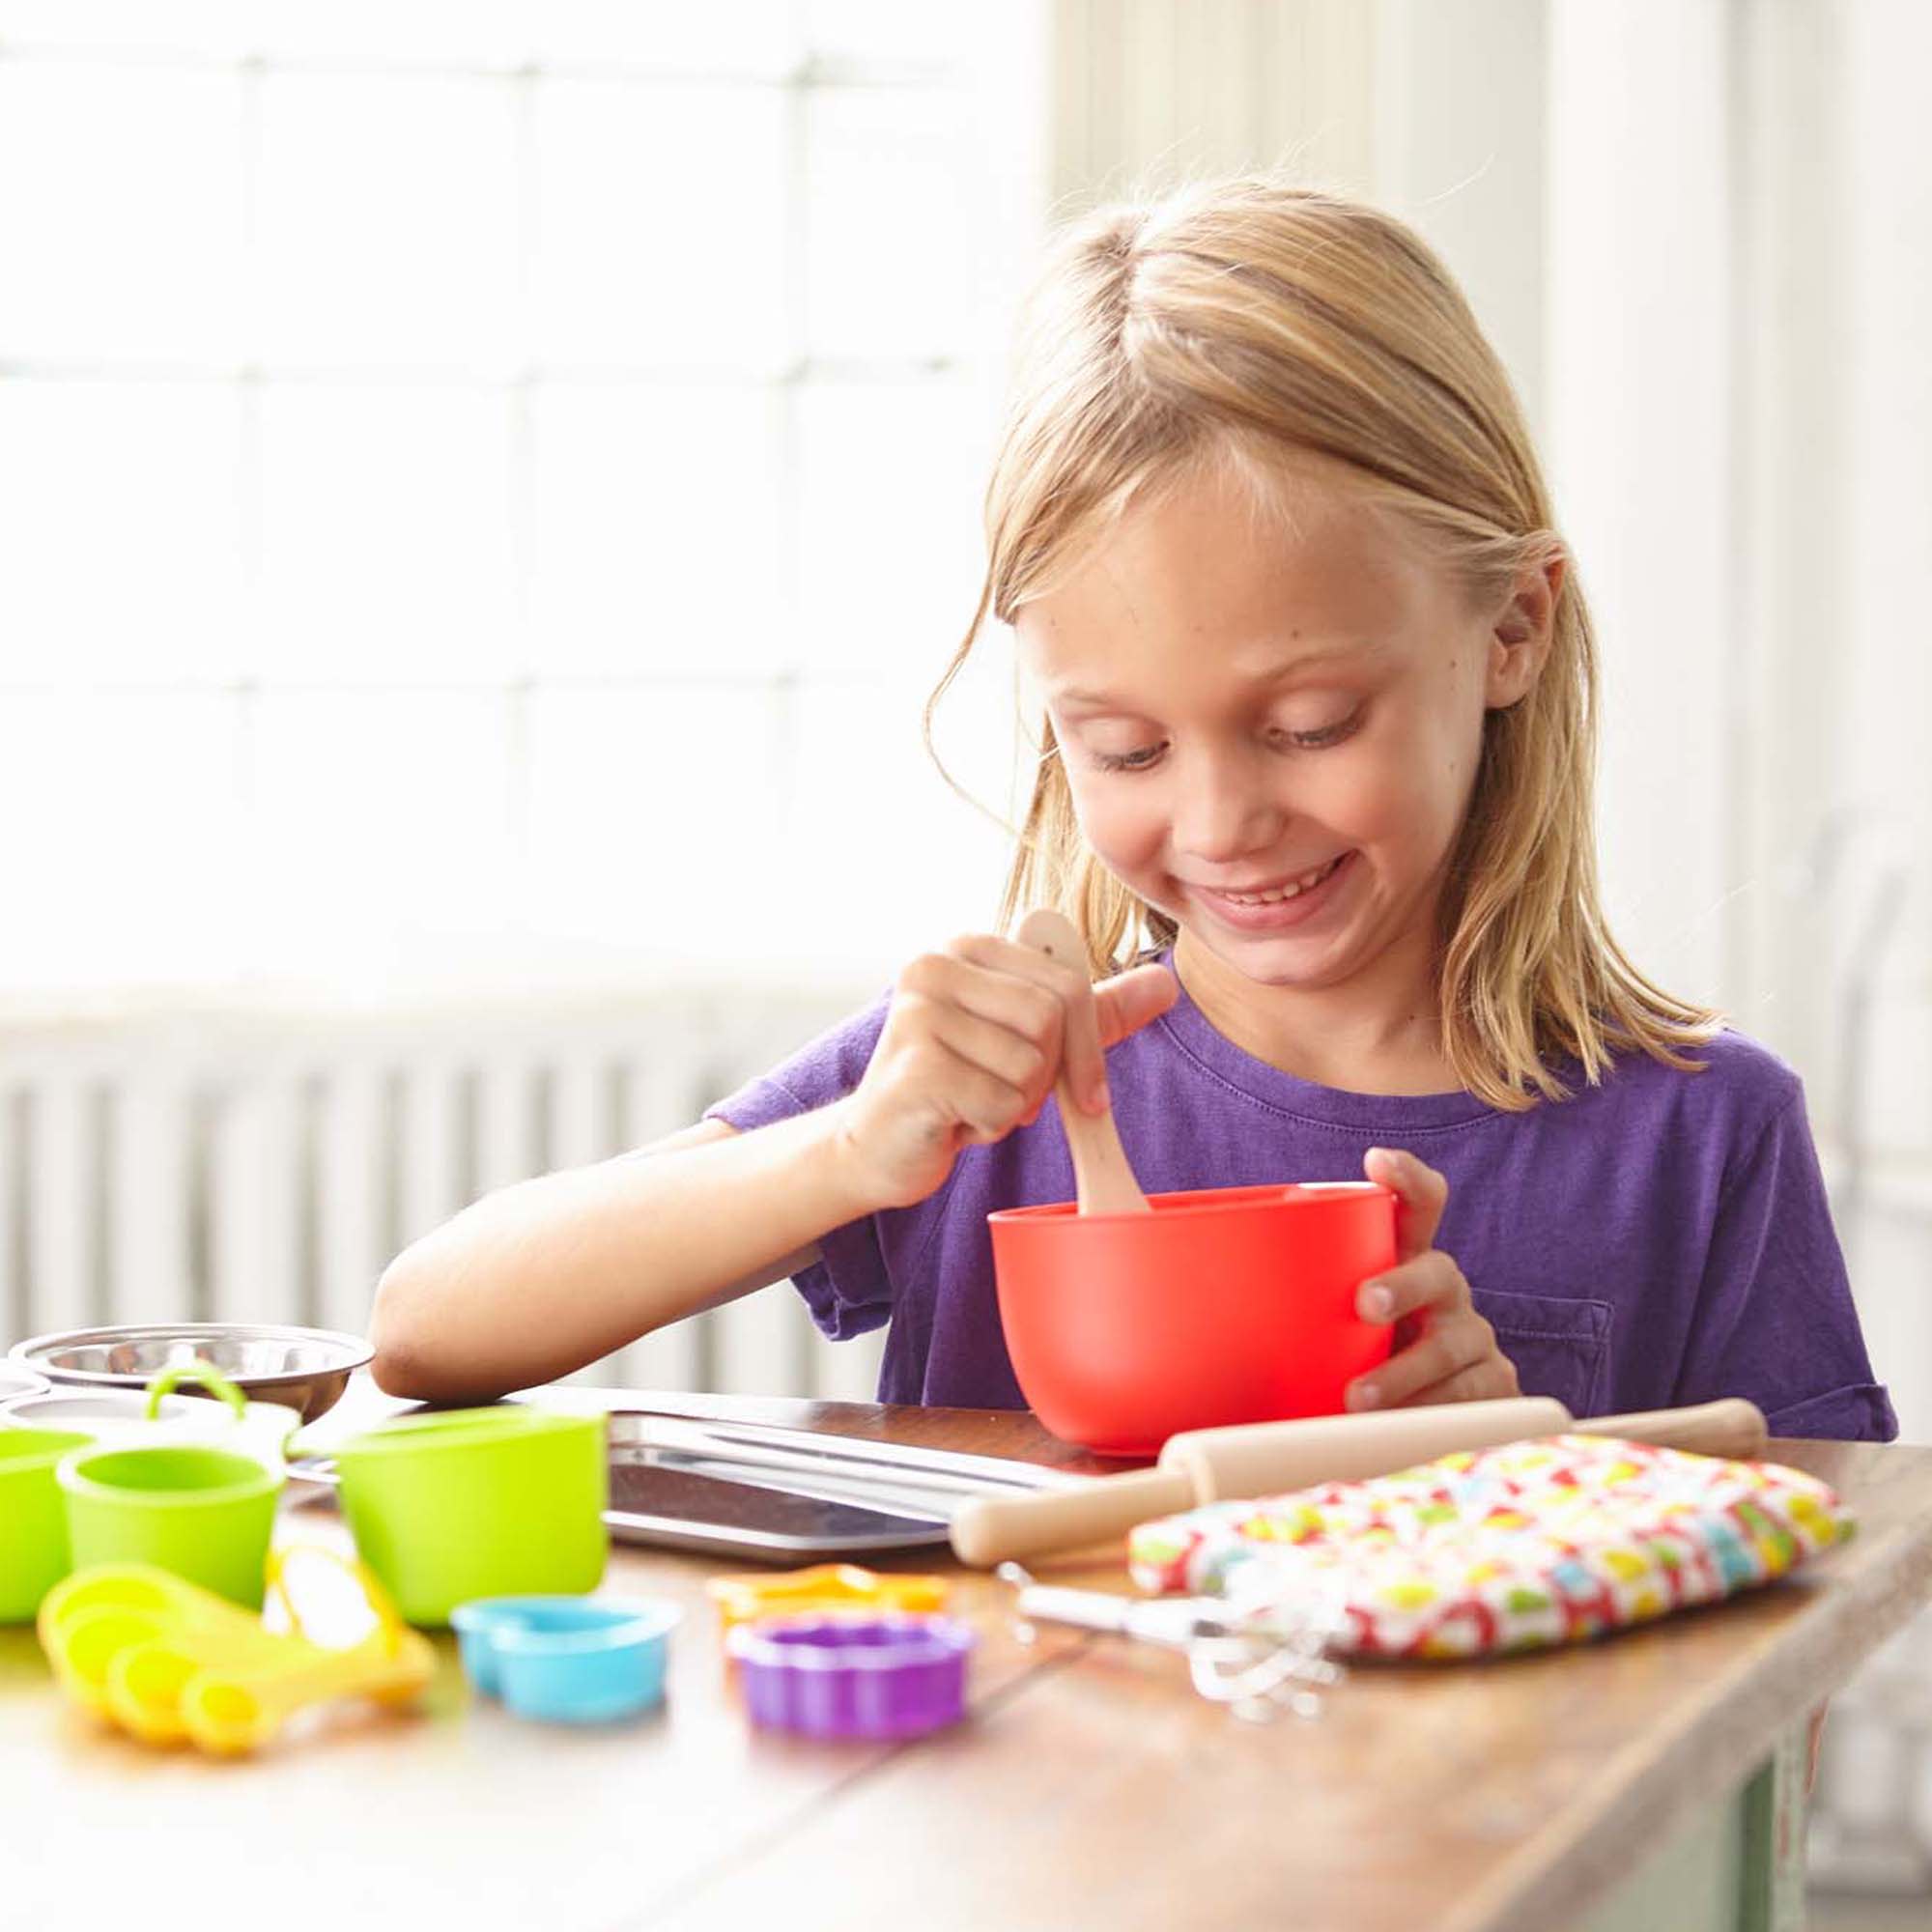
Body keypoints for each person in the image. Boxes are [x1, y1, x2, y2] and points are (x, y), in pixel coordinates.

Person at [369, 179, 1894, 1446]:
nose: (1223, 822)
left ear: (1511, 629)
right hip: (1020, 1815)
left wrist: (1522, 1477)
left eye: (1309, 725)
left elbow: (1793, 1687)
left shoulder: (1698, 1137)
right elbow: (428, 1328)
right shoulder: (992, 1089)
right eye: (1124, 747)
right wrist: (844, 1156)